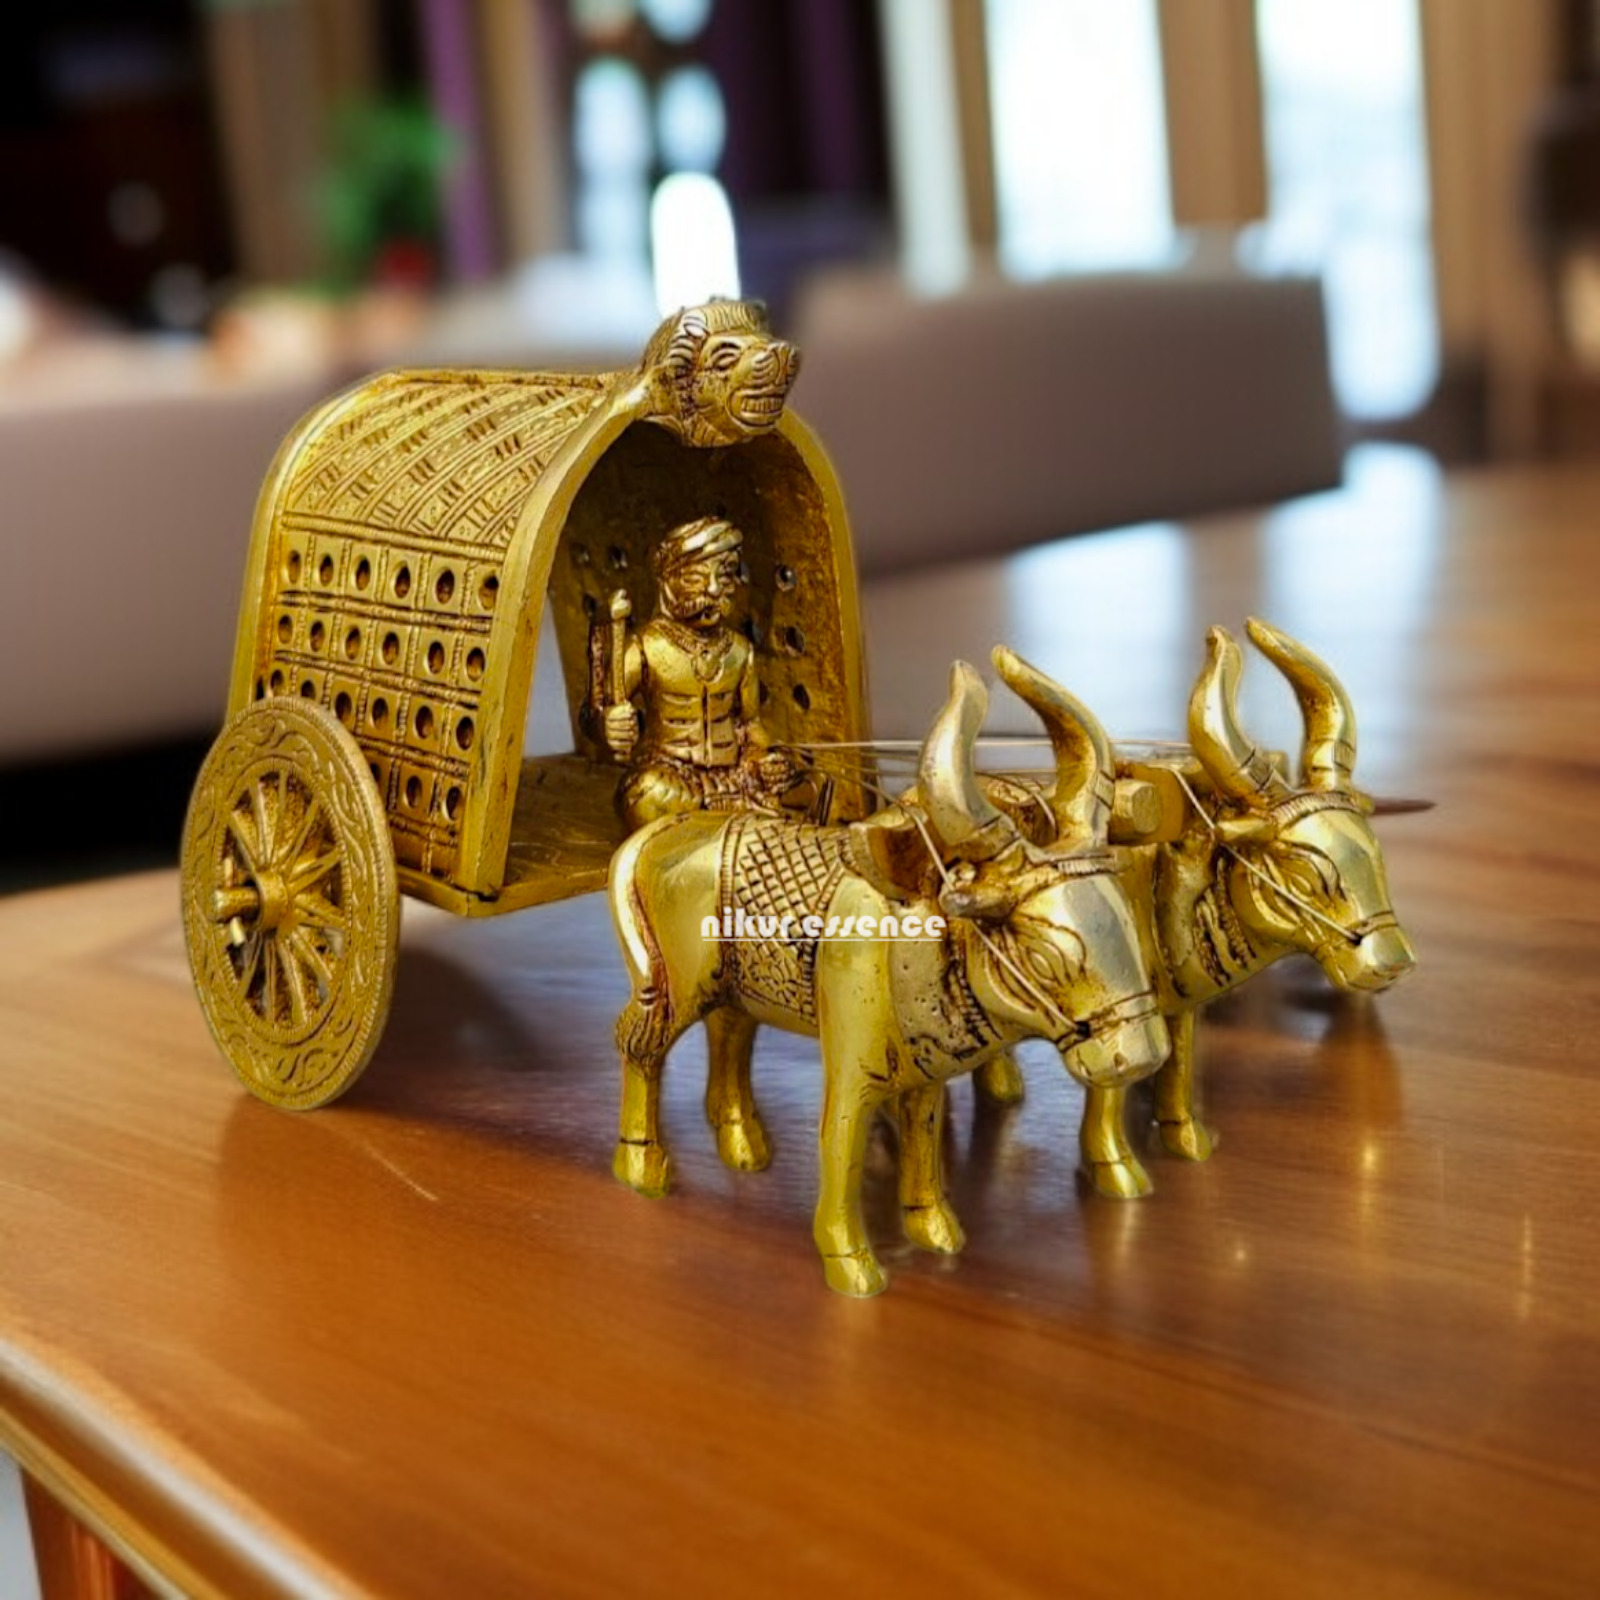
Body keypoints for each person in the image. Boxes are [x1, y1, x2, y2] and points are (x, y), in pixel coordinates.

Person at [601, 517, 797, 829]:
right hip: (672, 776)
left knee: (777, 788)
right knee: (643, 794)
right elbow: (598, 710)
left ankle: (711, 819)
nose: (714, 589)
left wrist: (765, 757)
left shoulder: (739, 651)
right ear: (668, 581)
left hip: (731, 778)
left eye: (725, 576)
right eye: (695, 578)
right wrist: (607, 724)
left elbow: (751, 726)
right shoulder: (645, 647)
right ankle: (724, 819)